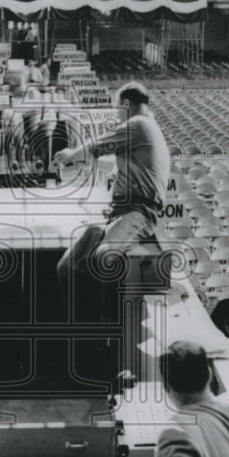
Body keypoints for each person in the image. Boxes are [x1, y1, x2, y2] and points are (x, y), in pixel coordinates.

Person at [52, 81, 169, 316]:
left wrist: (71, 155)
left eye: (117, 108)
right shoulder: (145, 131)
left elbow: (99, 146)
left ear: (126, 104)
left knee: (105, 255)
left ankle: (108, 328)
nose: (117, 114)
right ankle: (76, 324)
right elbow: (115, 163)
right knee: (68, 265)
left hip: (139, 213)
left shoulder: (139, 124)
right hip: (120, 212)